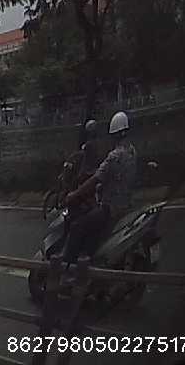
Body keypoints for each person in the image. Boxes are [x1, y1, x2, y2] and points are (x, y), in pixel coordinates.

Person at [62, 111, 137, 264]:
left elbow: (95, 178)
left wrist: (74, 194)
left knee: (77, 226)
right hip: (127, 204)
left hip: (110, 208)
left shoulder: (114, 156)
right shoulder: (133, 152)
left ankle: (68, 268)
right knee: (91, 225)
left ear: (114, 135)